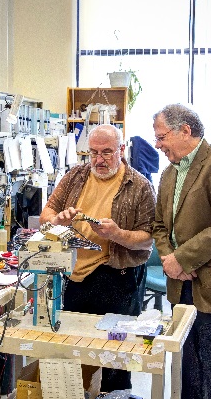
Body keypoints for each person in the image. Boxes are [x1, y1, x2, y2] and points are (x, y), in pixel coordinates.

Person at [39, 123, 155, 392]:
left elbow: (149, 237)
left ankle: (116, 395)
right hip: (76, 275)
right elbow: (47, 213)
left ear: (121, 150)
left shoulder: (139, 186)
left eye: (106, 152)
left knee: (116, 355)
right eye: (93, 153)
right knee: (75, 349)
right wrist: (57, 221)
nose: (99, 160)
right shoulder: (76, 176)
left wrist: (118, 235)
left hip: (118, 278)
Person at [152, 104, 211, 399]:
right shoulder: (169, 173)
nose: (157, 145)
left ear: (185, 130)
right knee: (186, 366)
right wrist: (172, 262)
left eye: (162, 137)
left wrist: (181, 259)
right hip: (179, 284)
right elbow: (159, 226)